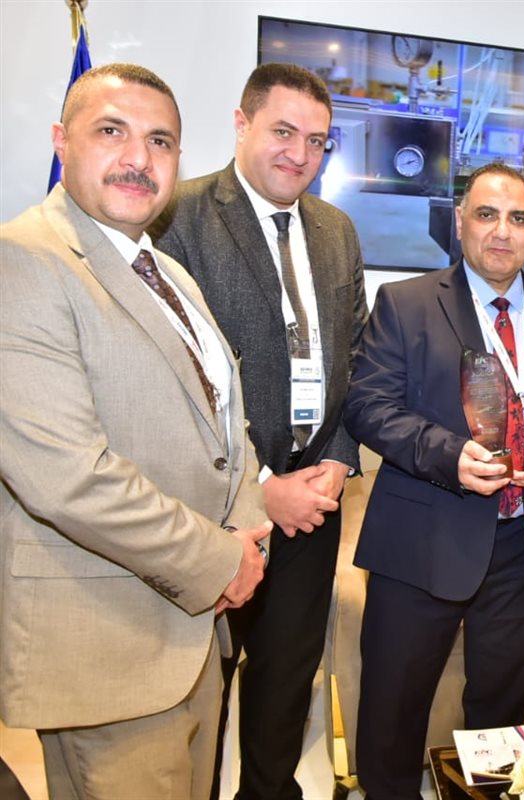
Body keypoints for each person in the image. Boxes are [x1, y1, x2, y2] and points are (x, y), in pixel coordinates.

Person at [0, 63, 271, 800]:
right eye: (111, 131)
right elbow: (68, 477)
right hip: (106, 647)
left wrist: (248, 538)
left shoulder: (168, 273)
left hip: (193, 635)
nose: (138, 158)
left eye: (160, 141)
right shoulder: (23, 261)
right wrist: (220, 560)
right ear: (61, 142)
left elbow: (228, 430)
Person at [343, 162, 524, 799]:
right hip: (423, 542)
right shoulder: (405, 304)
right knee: (392, 713)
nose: (502, 232)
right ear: (459, 223)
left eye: (518, 218)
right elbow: (368, 407)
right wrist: (448, 454)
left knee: (500, 726)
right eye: (487, 215)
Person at [152, 62, 368, 799]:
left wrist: (338, 461)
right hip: (214, 512)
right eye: (283, 131)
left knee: (284, 686)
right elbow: (171, 377)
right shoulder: (176, 217)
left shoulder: (336, 230)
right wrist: (262, 488)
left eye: (317, 141)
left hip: (313, 507)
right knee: (200, 695)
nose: (299, 154)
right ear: (241, 124)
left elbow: (355, 354)